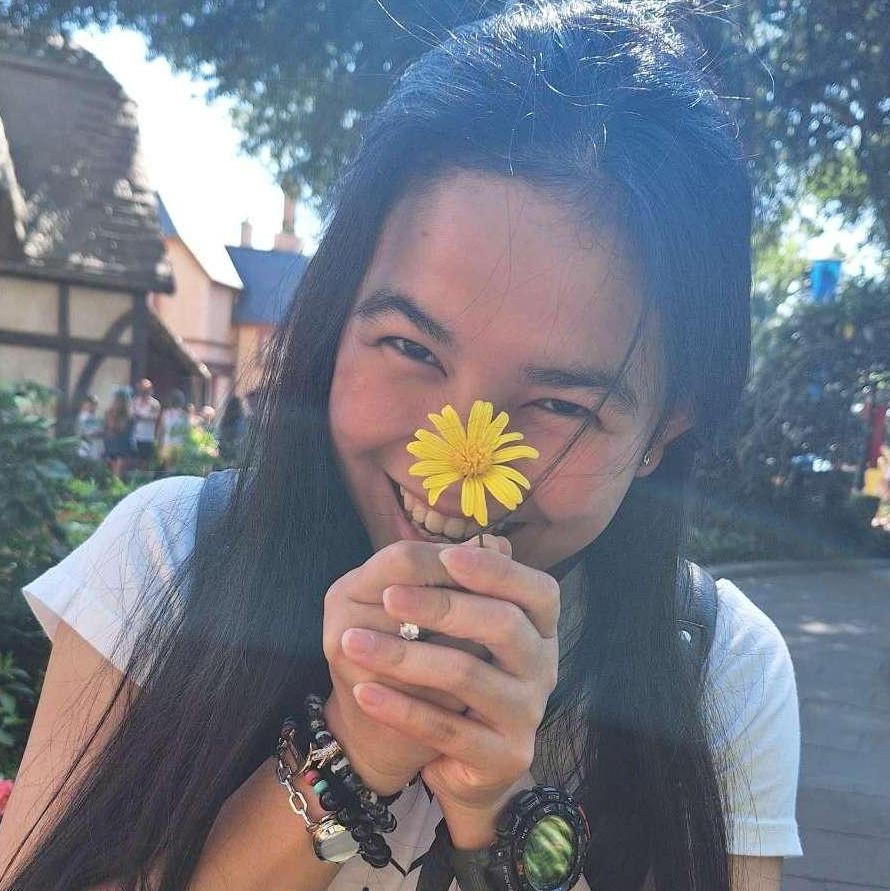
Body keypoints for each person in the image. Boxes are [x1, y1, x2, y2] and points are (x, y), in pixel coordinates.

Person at [1, 4, 801, 891]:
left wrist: (502, 810)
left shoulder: (719, 673)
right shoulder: (166, 563)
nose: (453, 464)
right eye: (412, 347)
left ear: (665, 430)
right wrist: (351, 750)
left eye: (559, 403)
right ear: (337, 320)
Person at [130, 378, 161, 469]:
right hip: (136, 435)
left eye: (146, 389)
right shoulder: (135, 401)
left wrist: (142, 417)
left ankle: (144, 477)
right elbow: (131, 415)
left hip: (148, 436)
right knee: (136, 459)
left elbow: (155, 417)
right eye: (142, 389)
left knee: (146, 460)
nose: (144, 392)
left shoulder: (154, 403)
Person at [102, 388, 132, 478]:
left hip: (120, 442)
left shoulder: (127, 414)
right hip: (112, 441)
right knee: (112, 464)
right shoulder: (109, 412)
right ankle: (113, 483)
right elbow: (108, 426)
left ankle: (116, 482)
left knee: (118, 464)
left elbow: (121, 428)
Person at [157, 389, 190, 470]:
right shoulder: (184, 415)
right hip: (180, 443)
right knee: (177, 466)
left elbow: (161, 429)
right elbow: (187, 431)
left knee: (167, 466)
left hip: (167, 442)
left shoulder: (166, 413)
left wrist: (158, 442)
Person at [217, 394, 249, 464]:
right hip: (235, 450)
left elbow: (220, 435)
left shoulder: (225, 419)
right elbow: (242, 434)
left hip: (225, 449)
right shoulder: (241, 419)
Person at [75, 395, 104, 461]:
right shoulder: (83, 416)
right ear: (85, 404)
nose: (92, 406)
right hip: (85, 448)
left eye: (94, 404)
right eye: (90, 403)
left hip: (95, 449)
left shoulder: (96, 418)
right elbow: (88, 433)